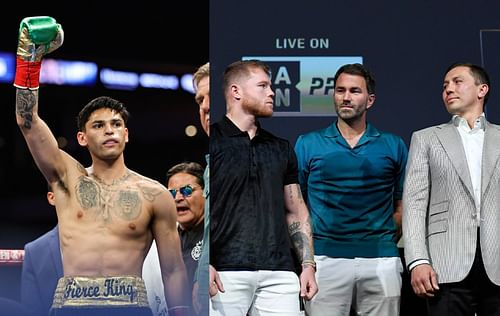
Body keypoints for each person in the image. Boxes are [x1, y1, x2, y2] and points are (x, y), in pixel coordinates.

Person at [13, 16, 188, 316]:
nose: (110, 130)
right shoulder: (67, 178)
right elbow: (27, 122)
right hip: (70, 306)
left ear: (127, 134)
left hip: (131, 307)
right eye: (99, 125)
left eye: (116, 124)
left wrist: (182, 311)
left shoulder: (155, 194)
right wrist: (29, 58)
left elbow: (172, 270)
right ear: (81, 137)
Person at [294, 63, 408, 316]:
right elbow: (295, 206)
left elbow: (403, 204)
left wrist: (382, 236)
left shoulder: (393, 145)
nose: (346, 97)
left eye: (355, 91)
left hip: (382, 259)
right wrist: (308, 261)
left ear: (370, 100)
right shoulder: (308, 144)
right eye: (340, 90)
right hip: (325, 259)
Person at [210, 59, 318, 316]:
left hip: (279, 272)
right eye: (263, 86)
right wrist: (205, 264)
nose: (272, 93)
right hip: (224, 272)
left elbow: (296, 210)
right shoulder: (212, 141)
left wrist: (308, 264)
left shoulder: (281, 147)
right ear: (236, 91)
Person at [403, 62, 500, 316]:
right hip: (445, 264)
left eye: (457, 82)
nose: (448, 89)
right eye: (445, 85)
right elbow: (413, 205)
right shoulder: (425, 138)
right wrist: (418, 261)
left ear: (482, 90)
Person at [167, 162, 206, 315]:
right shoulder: (164, 240)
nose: (177, 198)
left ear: (206, 192)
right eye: (171, 193)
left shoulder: (218, 232)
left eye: (187, 191)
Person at [191, 62, 210, 316]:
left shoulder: (272, 151)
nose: (204, 106)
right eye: (199, 100)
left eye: (212, 97)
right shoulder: (209, 167)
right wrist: (200, 275)